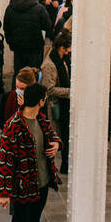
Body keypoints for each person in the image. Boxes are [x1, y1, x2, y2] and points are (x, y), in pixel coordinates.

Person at [0, 83, 62, 222]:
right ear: (41, 101)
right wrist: (3, 193)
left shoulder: (41, 120)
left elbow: (53, 135)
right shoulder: (13, 126)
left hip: (42, 185)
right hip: (22, 187)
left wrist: (57, 144)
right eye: (45, 98)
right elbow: (5, 161)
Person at [3, 0, 52, 79]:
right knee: (32, 74)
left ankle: (17, 92)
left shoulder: (11, 7)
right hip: (35, 47)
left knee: (18, 73)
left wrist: (11, 43)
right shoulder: (39, 9)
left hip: (18, 46)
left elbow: (6, 27)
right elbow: (48, 26)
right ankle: (31, 93)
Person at [40, 32, 72, 174]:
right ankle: (49, 169)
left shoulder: (62, 59)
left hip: (63, 104)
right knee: (54, 137)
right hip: (54, 106)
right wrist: (70, 92)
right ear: (62, 48)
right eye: (69, 47)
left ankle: (64, 163)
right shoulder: (50, 65)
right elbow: (49, 88)